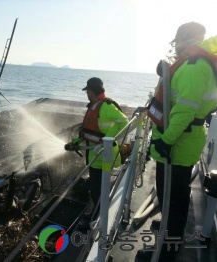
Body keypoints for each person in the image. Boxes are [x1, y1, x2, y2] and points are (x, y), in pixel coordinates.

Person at [138, 22, 217, 261]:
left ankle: (165, 253)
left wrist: (167, 141)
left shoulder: (194, 66)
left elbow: (185, 110)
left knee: (172, 203)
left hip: (177, 145)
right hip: (181, 143)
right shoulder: (195, 63)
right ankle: (169, 240)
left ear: (182, 37)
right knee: (173, 200)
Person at [65, 77, 129, 216]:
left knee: (99, 190)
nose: (86, 94)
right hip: (95, 157)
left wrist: (105, 141)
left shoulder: (106, 106)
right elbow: (89, 132)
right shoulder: (95, 105)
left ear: (92, 92)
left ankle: (99, 217)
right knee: (96, 189)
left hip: (103, 157)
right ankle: (97, 212)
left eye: (87, 91)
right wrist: (75, 143)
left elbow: (124, 122)